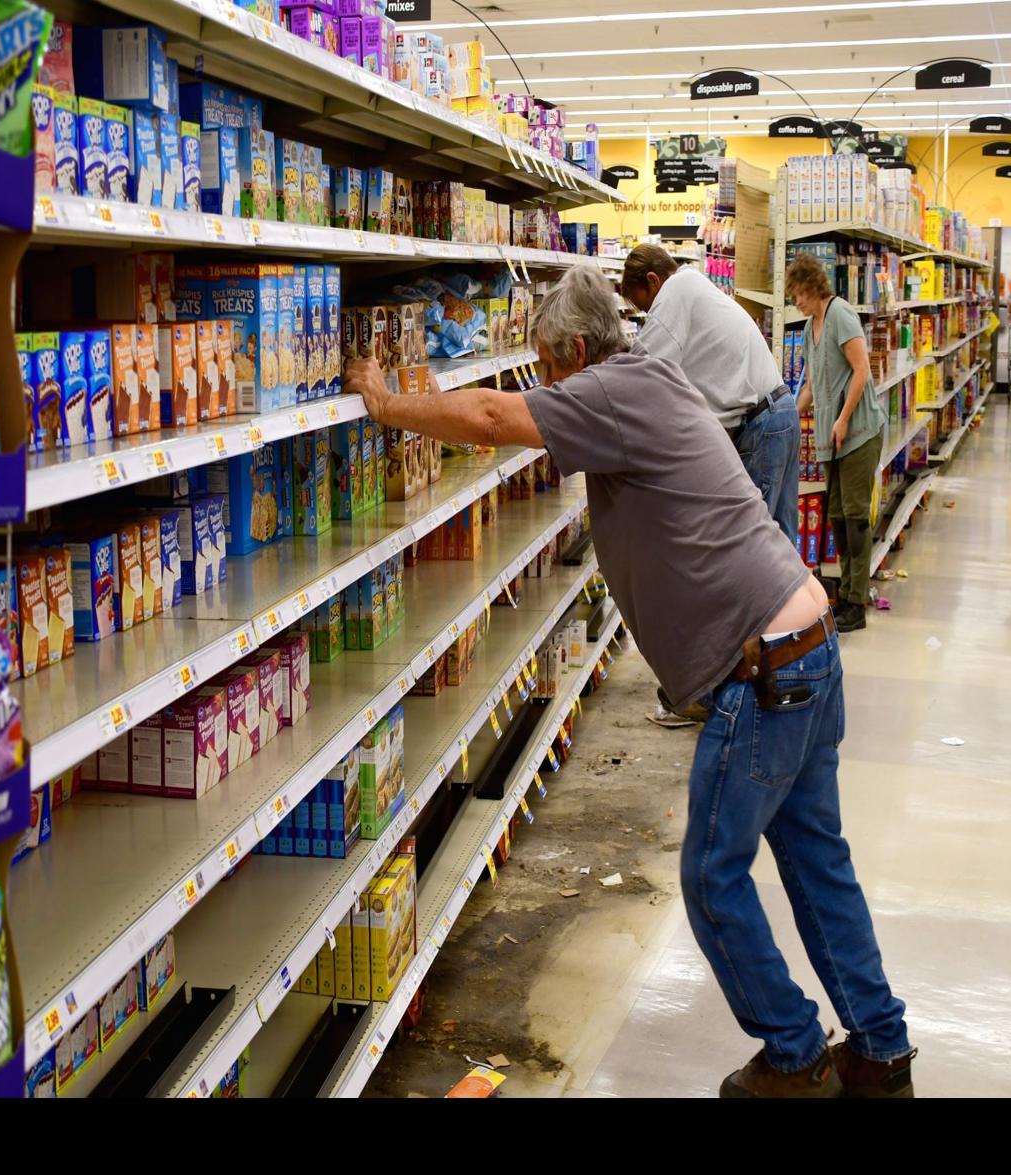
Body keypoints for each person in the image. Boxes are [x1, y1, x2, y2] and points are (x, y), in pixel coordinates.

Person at [344, 267, 914, 1098]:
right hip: (805, 647)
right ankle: (880, 1049)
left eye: (547, 369)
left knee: (712, 878)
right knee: (816, 861)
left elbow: (496, 417)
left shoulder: (609, 390)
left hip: (765, 674)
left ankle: (795, 1055)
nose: (544, 390)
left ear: (577, 351)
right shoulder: (645, 376)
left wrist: (390, 403)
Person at [621, 244, 799, 544]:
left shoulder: (675, 290)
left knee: (753, 548)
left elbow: (641, 372)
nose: (651, 316)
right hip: (778, 414)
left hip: (762, 427)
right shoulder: (694, 286)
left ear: (653, 280)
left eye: (647, 308)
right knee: (781, 545)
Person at [786, 254, 885, 635]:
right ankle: (844, 594)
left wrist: (843, 418)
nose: (796, 301)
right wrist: (790, 416)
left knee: (856, 519)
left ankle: (856, 603)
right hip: (832, 439)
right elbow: (811, 386)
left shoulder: (841, 314)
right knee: (839, 519)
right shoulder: (811, 325)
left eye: (798, 294)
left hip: (858, 433)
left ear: (813, 286)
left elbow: (862, 370)